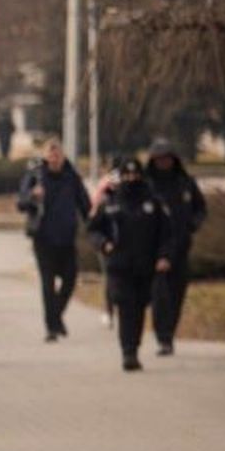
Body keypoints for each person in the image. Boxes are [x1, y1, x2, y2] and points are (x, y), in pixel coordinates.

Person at [87, 158, 173, 371]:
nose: (131, 179)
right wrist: (103, 244)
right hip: (118, 265)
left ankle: (134, 345)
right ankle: (128, 352)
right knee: (125, 306)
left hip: (145, 265)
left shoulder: (153, 202)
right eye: (126, 175)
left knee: (139, 306)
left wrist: (164, 256)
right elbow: (93, 229)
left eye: (135, 175)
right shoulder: (111, 202)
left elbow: (166, 234)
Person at [16, 138, 92, 341]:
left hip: (67, 238)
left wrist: (93, 226)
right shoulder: (36, 176)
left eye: (58, 153)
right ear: (45, 156)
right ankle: (51, 328)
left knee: (70, 280)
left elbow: (85, 204)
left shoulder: (72, 177)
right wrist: (33, 195)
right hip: (43, 238)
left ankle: (56, 316)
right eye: (51, 153)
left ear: (63, 155)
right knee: (48, 284)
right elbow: (21, 202)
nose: (55, 157)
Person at [144, 138, 206, 355]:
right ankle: (163, 338)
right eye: (159, 159)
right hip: (154, 249)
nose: (163, 162)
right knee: (160, 295)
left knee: (177, 294)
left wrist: (193, 224)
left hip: (181, 246)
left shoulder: (185, 182)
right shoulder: (147, 185)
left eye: (167, 158)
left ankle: (169, 332)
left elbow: (200, 208)